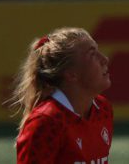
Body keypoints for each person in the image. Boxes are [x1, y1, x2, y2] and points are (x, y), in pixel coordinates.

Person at [10, 27, 113, 163]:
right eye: (92, 54)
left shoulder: (103, 109)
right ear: (71, 74)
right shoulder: (46, 122)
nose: (105, 59)